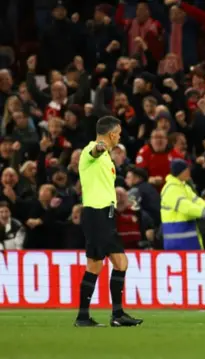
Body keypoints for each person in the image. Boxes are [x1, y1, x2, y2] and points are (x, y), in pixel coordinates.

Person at [75, 116, 142, 327]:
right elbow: (95, 150)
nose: (119, 136)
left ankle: (117, 315)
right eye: (119, 133)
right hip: (96, 214)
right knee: (95, 265)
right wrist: (100, 146)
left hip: (107, 214)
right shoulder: (91, 150)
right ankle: (84, 317)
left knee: (120, 262)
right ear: (112, 133)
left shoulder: (106, 158)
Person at [160, 159, 205, 250]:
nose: (189, 172)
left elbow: (197, 201)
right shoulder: (171, 189)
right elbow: (187, 207)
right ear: (180, 172)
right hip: (177, 242)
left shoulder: (184, 187)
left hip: (188, 240)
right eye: (187, 169)